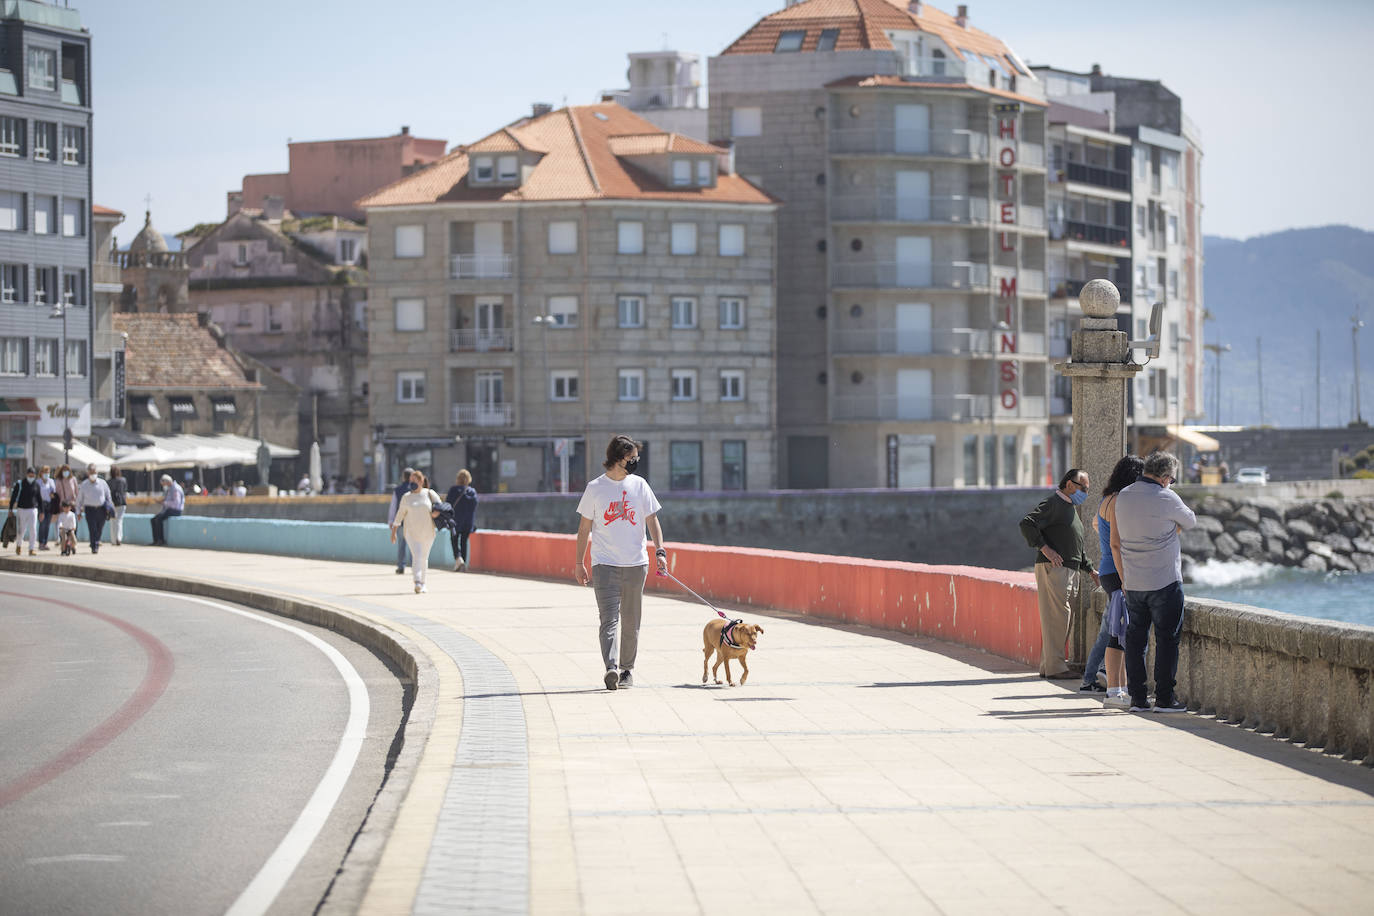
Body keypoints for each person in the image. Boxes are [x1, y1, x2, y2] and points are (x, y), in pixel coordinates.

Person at [574, 435, 668, 691]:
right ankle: (611, 668)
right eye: (632, 457)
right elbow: (584, 529)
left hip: (636, 565)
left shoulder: (640, 485)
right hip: (604, 565)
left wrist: (660, 550)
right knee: (609, 620)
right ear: (619, 458)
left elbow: (652, 521)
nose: (636, 461)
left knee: (630, 620)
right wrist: (579, 563)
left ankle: (627, 669)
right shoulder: (595, 488)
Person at [1112, 451, 1197, 713]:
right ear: (1164, 477)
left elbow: (1117, 540)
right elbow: (1190, 521)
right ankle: (1164, 699)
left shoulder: (1123, 496)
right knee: (1167, 640)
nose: (1171, 483)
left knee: (1136, 642)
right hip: (1164, 581)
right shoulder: (1167, 497)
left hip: (1134, 582)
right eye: (1171, 479)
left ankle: (1138, 699)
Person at [1019, 467, 1099, 679]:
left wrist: (1090, 569)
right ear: (1070, 484)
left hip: (1069, 570)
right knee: (1057, 619)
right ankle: (1056, 668)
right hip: (1055, 569)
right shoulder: (1053, 504)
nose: (1086, 493)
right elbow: (1027, 523)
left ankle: (1050, 666)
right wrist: (1045, 548)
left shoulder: (1069, 508)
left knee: (1061, 619)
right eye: (1084, 488)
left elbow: (1075, 543)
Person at [1081, 455, 1144, 708]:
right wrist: (1126, 579)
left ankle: (1117, 689)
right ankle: (1117, 690)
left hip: (1108, 570)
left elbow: (1102, 532)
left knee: (1117, 631)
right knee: (1121, 634)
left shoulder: (1106, 500)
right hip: (1118, 573)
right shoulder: (1119, 501)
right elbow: (1117, 543)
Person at [391, 470, 441, 594]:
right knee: (417, 555)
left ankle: (423, 583)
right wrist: (394, 531)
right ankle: (417, 582)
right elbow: (400, 514)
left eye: (415, 480)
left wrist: (437, 513)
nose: (412, 483)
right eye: (411, 481)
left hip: (428, 532)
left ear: (421, 481)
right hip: (411, 533)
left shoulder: (429, 494)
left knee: (424, 558)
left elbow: (441, 507)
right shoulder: (406, 497)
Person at [75, 463, 113, 555]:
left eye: (94, 472)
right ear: (88, 473)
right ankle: (94, 545)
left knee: (99, 528)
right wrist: (78, 512)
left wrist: (109, 507)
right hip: (89, 509)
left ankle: (97, 541)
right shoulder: (84, 485)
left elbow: (108, 496)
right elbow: (79, 500)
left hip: (101, 509)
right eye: (91, 472)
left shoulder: (103, 483)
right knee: (92, 528)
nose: (93, 474)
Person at [446, 469, 479, 572]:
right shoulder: (472, 492)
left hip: (455, 521)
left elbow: (448, 505)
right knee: (464, 541)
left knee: (454, 540)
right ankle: (463, 563)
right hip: (468, 522)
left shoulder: (453, 490)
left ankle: (458, 559)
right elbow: (474, 507)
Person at [387, 467, 415, 574]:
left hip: (401, 522)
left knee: (401, 545)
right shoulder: (415, 489)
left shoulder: (398, 490)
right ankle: (414, 566)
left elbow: (393, 507)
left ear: (403, 477)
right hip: (413, 522)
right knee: (414, 545)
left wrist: (391, 521)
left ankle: (401, 566)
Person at [8, 466, 40, 556]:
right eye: (30, 475)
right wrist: (10, 509)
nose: (31, 477)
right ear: (27, 474)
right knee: (21, 529)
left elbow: (39, 498)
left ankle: (31, 548)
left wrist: (41, 512)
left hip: (33, 509)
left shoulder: (36, 485)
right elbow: (13, 497)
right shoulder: (20, 484)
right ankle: (19, 545)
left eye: (33, 475)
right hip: (21, 509)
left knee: (33, 529)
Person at [151, 473, 185, 546]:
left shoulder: (176, 489)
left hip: (175, 510)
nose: (164, 486)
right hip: (169, 509)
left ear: (167, 482)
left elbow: (176, 503)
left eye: (164, 484)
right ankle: (156, 540)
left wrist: (164, 502)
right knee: (153, 519)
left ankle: (161, 540)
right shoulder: (170, 488)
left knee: (158, 519)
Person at [36, 465, 55, 550]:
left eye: (48, 472)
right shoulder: (38, 482)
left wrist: (52, 494)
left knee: (47, 525)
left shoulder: (51, 481)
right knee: (42, 524)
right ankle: (41, 542)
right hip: (41, 505)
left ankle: (45, 542)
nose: (47, 474)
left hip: (49, 505)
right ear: (41, 473)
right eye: (45, 472)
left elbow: (54, 492)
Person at [108, 466, 128, 546]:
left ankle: (113, 540)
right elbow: (125, 491)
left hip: (112, 503)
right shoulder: (123, 480)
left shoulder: (109, 481)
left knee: (112, 521)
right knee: (119, 521)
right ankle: (118, 538)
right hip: (121, 503)